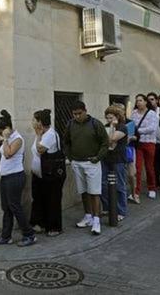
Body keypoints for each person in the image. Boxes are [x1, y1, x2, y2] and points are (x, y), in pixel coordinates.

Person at [0, 110, 36, 247]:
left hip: (15, 177)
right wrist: (1, 141)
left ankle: (29, 234)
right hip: (5, 177)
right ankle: (6, 236)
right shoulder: (8, 139)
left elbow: (9, 153)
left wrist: (4, 140)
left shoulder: (17, 139)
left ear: (6, 129)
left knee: (15, 207)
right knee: (6, 207)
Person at [63, 101, 108, 236]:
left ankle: (96, 220)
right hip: (77, 162)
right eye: (74, 114)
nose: (77, 116)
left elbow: (105, 143)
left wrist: (97, 158)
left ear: (85, 111)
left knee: (94, 192)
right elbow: (66, 142)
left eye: (79, 113)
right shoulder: (70, 124)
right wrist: (70, 157)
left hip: (92, 162)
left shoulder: (95, 124)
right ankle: (88, 216)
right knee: (83, 191)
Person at [29, 109, 65, 237]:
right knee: (39, 199)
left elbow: (40, 150)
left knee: (52, 200)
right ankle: (40, 223)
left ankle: (54, 227)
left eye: (34, 120)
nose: (32, 122)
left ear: (40, 122)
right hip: (40, 174)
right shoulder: (41, 133)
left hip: (52, 175)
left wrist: (38, 135)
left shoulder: (49, 134)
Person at [100, 106, 129, 221]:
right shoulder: (105, 127)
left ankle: (121, 210)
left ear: (117, 117)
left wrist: (113, 126)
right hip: (106, 158)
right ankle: (108, 207)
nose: (108, 120)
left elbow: (112, 138)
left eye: (111, 118)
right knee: (103, 184)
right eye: (107, 118)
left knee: (119, 185)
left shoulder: (122, 127)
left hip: (118, 159)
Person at [130, 94, 159, 200]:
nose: (138, 103)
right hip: (138, 143)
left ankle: (152, 188)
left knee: (149, 167)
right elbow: (131, 126)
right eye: (137, 101)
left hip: (149, 142)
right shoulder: (134, 113)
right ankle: (136, 191)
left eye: (140, 100)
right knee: (137, 168)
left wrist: (138, 131)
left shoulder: (152, 114)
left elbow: (152, 128)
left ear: (146, 102)